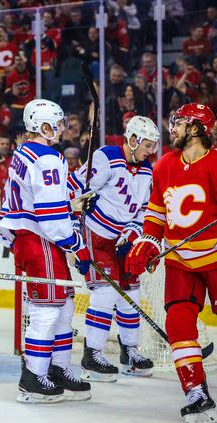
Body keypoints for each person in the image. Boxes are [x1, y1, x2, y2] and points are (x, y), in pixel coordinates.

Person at [126, 103, 217, 423]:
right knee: (179, 326)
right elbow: (155, 215)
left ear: (197, 129)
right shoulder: (164, 165)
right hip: (181, 262)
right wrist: (147, 243)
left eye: (180, 123)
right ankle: (196, 392)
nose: (173, 128)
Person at [0, 99, 92, 404]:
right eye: (57, 122)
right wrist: (77, 245)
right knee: (47, 311)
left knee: (63, 307)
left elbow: (37, 197)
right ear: (43, 126)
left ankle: (57, 368)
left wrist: (71, 197)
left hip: (32, 240)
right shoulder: (48, 158)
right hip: (41, 241)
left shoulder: (24, 152)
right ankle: (33, 378)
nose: (62, 127)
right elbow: (51, 217)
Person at [66, 115, 160, 382]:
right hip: (96, 236)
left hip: (122, 241)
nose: (151, 151)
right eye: (148, 145)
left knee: (132, 291)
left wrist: (132, 232)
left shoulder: (146, 170)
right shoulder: (106, 157)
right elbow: (73, 188)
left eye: (153, 146)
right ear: (132, 140)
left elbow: (142, 209)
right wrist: (74, 223)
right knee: (105, 293)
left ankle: (129, 351)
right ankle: (92, 354)